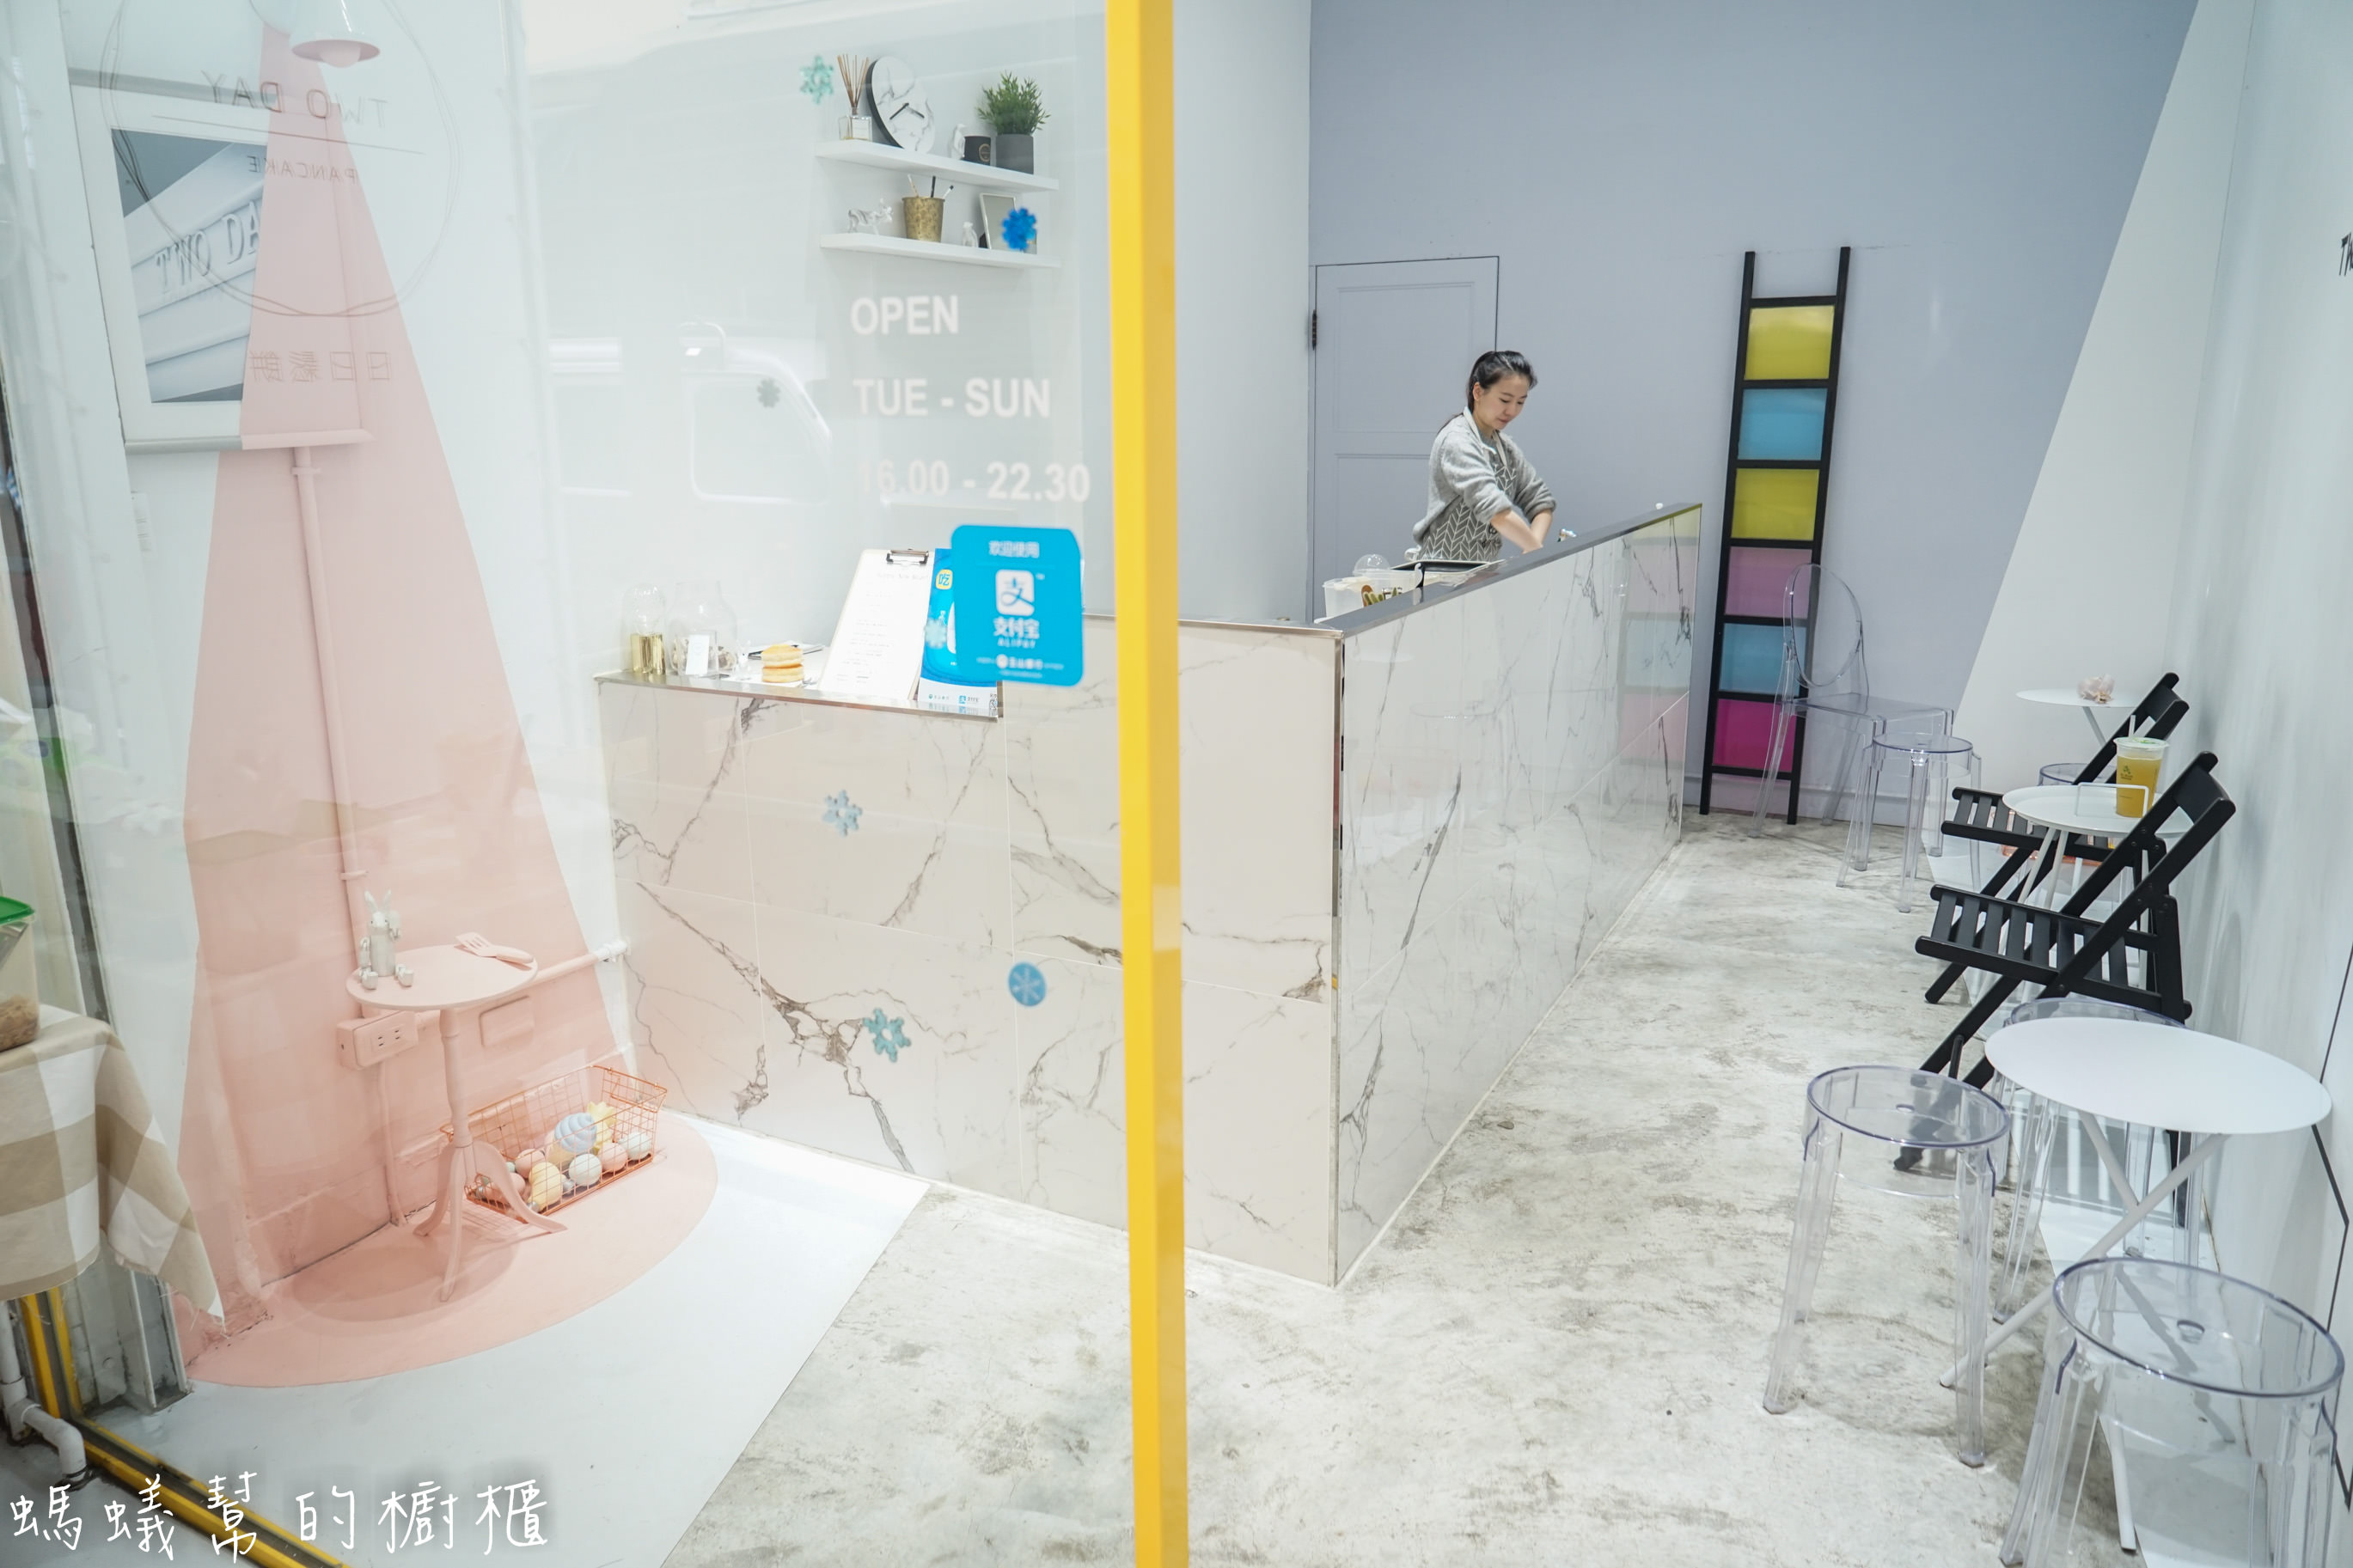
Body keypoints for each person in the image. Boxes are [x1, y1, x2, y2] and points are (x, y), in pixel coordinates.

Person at [1412, 350, 1556, 562]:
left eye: (1520, 402)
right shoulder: (1457, 440)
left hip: (1485, 573)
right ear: (1478, 392)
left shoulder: (1506, 448)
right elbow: (1495, 510)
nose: (1512, 411)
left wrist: (1531, 552)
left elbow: (1541, 503)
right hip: (1444, 571)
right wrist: (1537, 552)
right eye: (1505, 400)